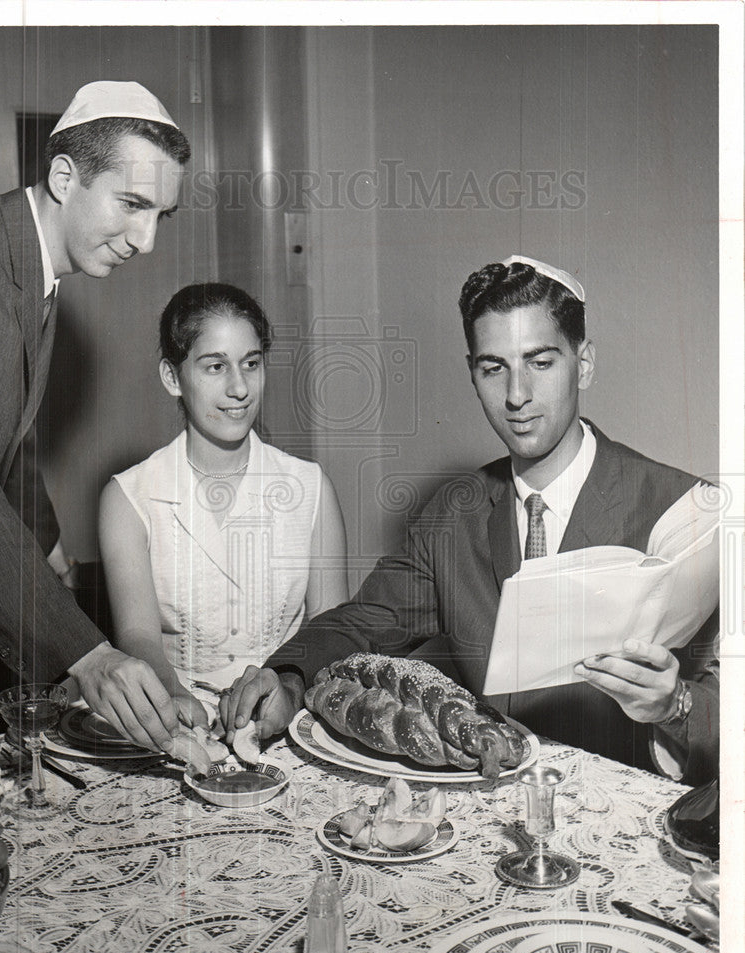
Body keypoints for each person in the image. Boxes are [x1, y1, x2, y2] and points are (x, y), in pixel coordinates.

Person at [220, 256, 719, 784]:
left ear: (585, 362)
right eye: (493, 367)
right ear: (472, 372)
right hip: (491, 812)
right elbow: (363, 623)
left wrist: (676, 704)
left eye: (540, 362)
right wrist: (287, 677)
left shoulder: (684, 509)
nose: (516, 395)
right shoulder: (455, 511)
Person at [0, 80, 211, 749]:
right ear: (65, 176)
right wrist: (87, 653)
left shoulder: (29, 268)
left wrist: (49, 546)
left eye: (161, 215)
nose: (146, 240)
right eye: (131, 204)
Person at [98, 283, 349, 712]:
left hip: (287, 711)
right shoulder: (128, 498)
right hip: (175, 713)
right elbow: (138, 637)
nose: (240, 388)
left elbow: (332, 631)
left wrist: (287, 690)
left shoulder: (310, 487)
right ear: (172, 378)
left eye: (250, 364)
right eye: (215, 367)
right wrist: (174, 696)